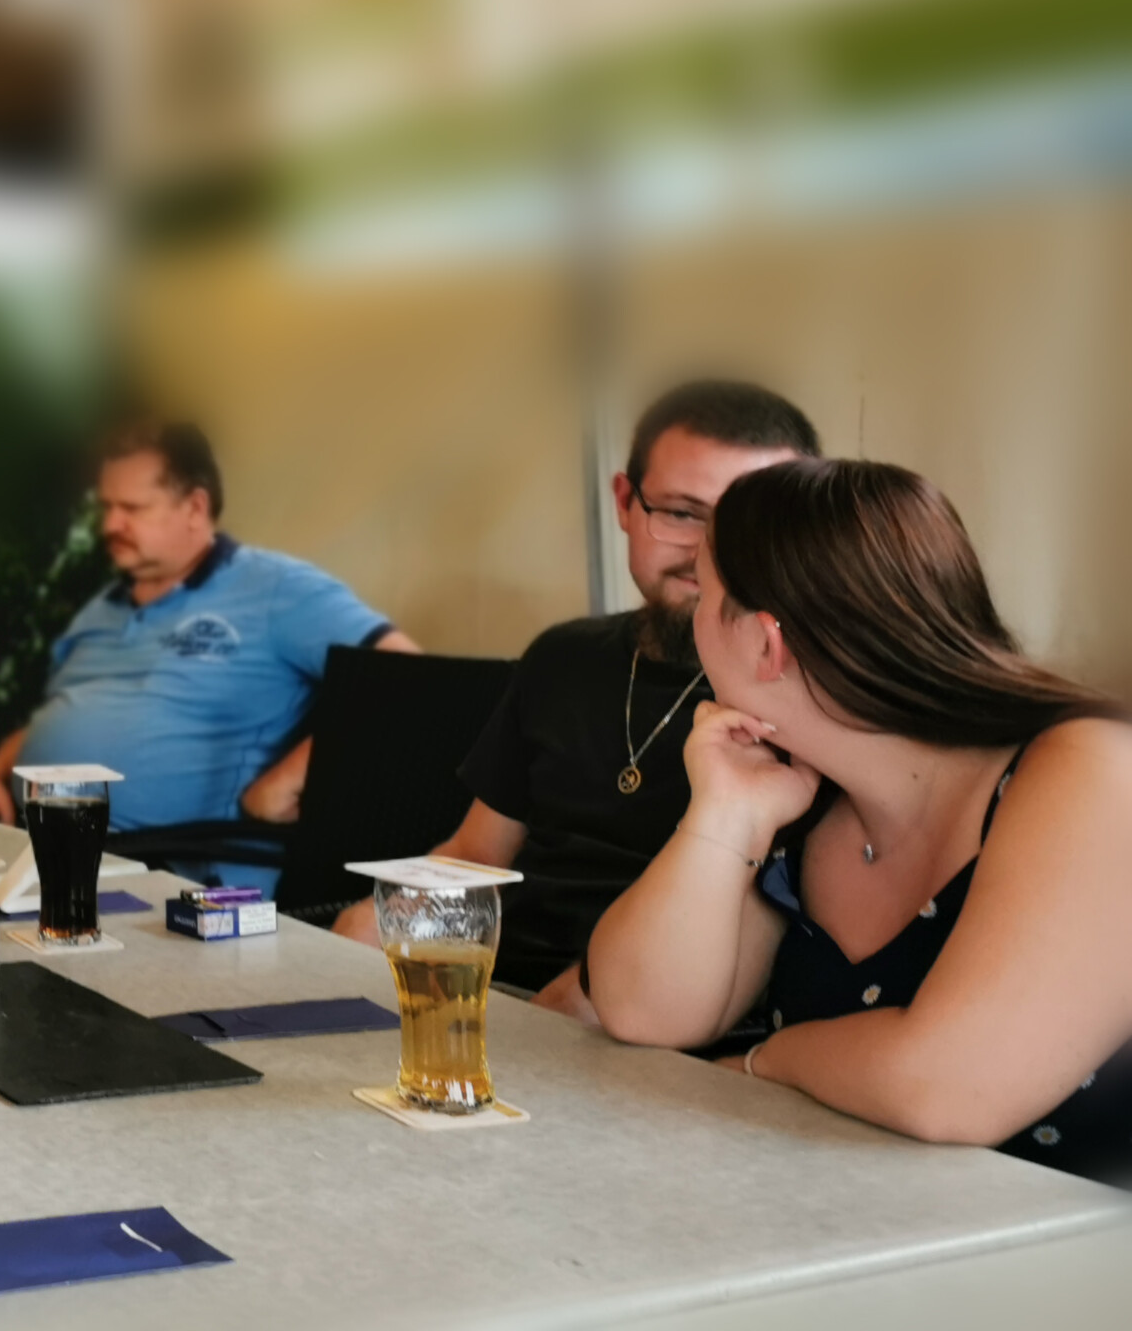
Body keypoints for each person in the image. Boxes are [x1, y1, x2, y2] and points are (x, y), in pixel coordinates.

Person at [587, 459, 1132, 1181]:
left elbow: (950, 1089)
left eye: (705, 598)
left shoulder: (1092, 769)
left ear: (766, 644)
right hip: (865, 1223)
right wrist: (723, 812)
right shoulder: (807, 789)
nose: (694, 628)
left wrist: (767, 1060)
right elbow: (642, 1009)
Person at [332, 380, 820, 1015]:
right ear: (624, 502)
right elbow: (477, 854)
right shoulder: (564, 657)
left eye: (741, 525)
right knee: (354, 941)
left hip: (646, 1002)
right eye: (680, 513)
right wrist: (380, 925)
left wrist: (564, 1006)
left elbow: (752, 929)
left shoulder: (800, 700)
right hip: (501, 978)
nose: (708, 553)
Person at [0, 419, 415, 839]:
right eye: (107, 507)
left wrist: (291, 779)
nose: (110, 524)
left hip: (172, 868)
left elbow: (407, 675)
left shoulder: (276, 588)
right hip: (38, 848)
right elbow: (69, 709)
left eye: (132, 508)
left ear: (195, 507)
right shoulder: (99, 609)